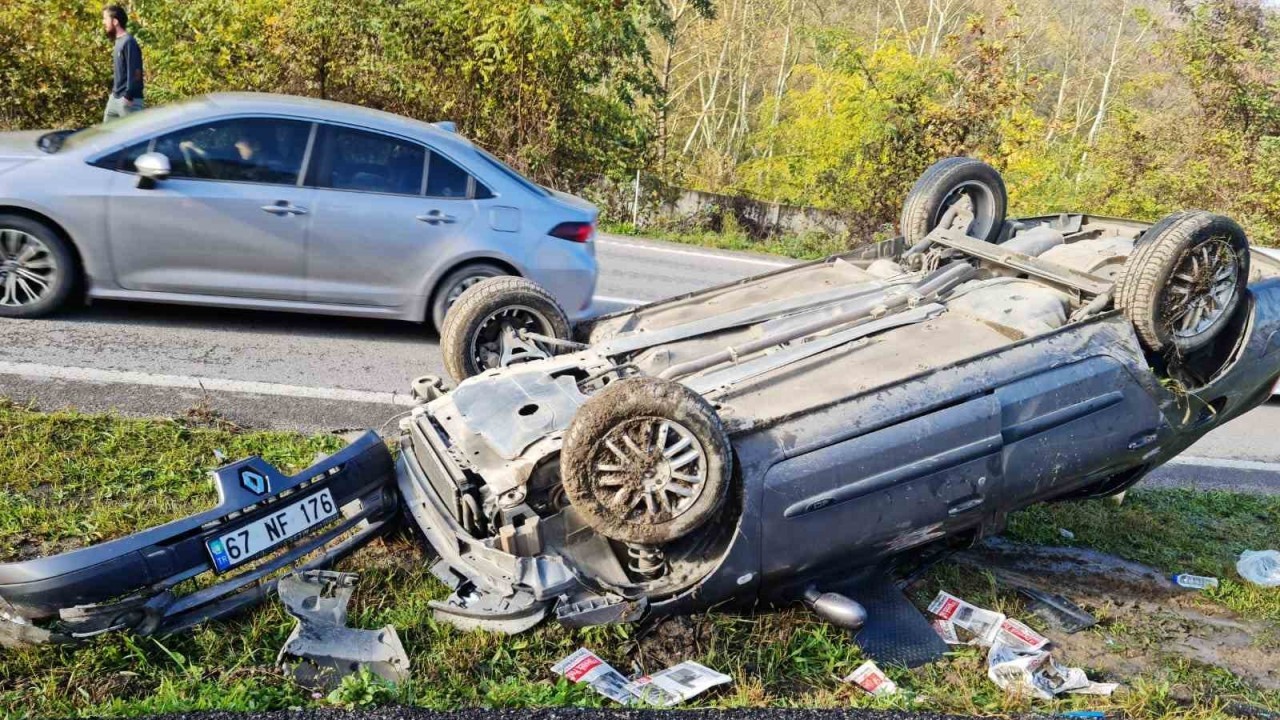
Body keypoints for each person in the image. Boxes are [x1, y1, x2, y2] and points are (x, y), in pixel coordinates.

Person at [102, 5, 144, 122]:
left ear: (115, 21)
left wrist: (129, 95)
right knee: (106, 135)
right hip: (115, 98)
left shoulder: (129, 42)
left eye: (105, 19)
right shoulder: (118, 41)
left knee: (136, 138)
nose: (103, 22)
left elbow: (136, 71)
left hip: (128, 100)